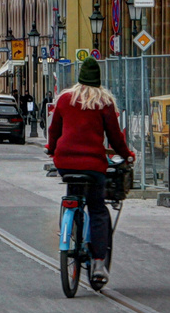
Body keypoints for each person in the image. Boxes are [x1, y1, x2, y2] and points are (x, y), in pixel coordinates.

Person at [45, 58, 134, 289]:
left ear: (79, 78)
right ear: (99, 80)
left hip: (66, 163)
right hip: (93, 166)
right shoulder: (103, 102)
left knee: (74, 197)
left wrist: (51, 149)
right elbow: (115, 136)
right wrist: (127, 154)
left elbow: (54, 130)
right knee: (98, 209)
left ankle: (71, 223)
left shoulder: (65, 99)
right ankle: (98, 263)